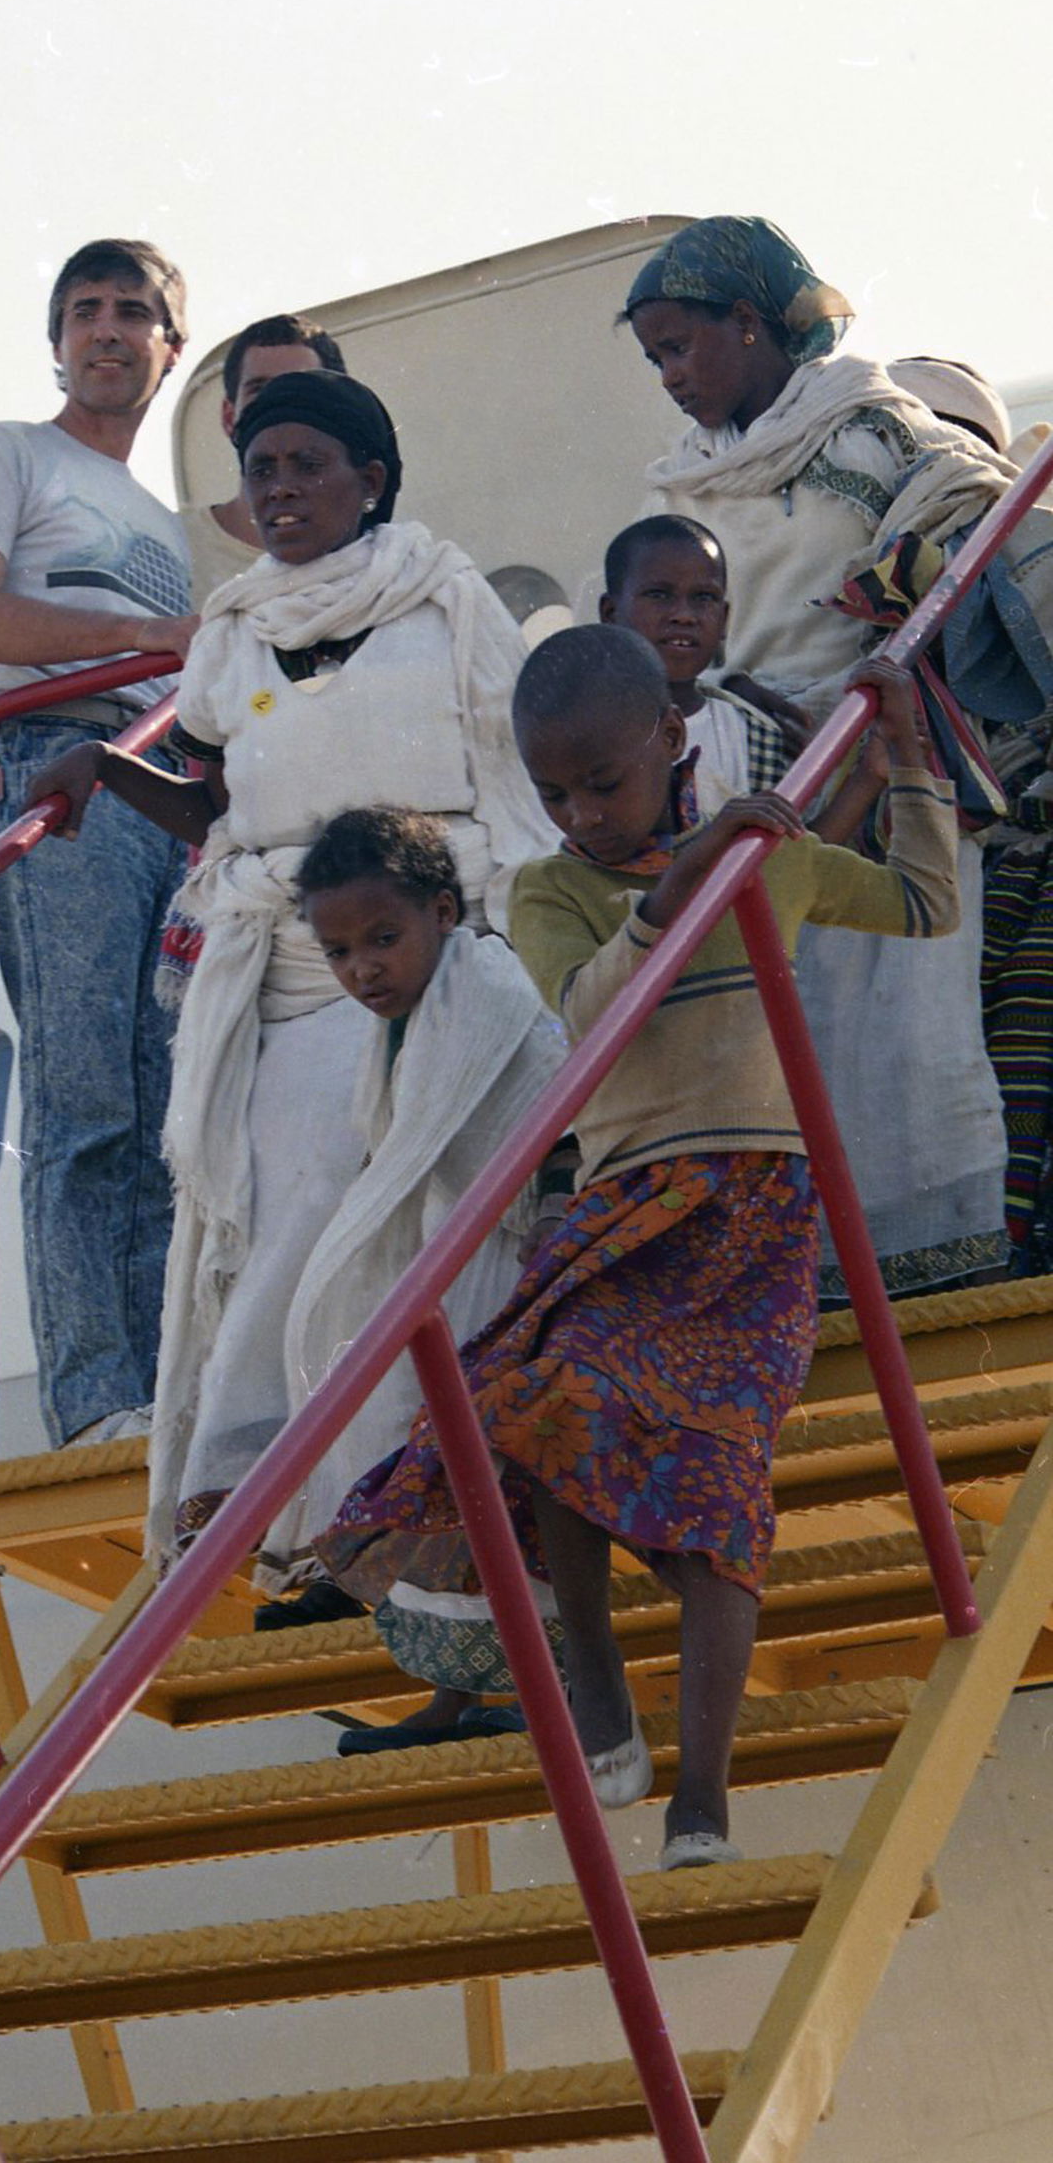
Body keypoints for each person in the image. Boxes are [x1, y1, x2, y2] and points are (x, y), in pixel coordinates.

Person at [321, 624, 961, 1868]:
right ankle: (596, 1669)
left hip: (754, 1210)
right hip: (628, 1206)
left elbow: (926, 905)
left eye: (601, 783)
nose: (579, 813)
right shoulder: (550, 891)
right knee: (546, 1397)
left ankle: (699, 1802)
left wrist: (903, 758)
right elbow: (589, 1008)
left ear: (671, 739)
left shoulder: (771, 856)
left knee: (715, 1498)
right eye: (553, 791)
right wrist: (680, 883)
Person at [23, 369, 554, 1570]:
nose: (278, 489)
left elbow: (512, 776)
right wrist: (106, 769)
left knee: (430, 1216)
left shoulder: (445, 598)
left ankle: (397, 1488)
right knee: (286, 1208)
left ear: (370, 480)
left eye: (306, 465)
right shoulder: (232, 631)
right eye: (259, 470)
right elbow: (213, 806)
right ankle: (253, 1474)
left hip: (445, 944)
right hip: (299, 961)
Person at [622, 214, 1035, 1299]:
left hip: (876, 760)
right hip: (741, 779)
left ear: (749, 323)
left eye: (681, 347)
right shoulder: (674, 486)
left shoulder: (869, 429)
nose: (669, 377)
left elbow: (976, 503)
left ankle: (927, 1275)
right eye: (653, 359)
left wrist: (899, 597)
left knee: (900, 1042)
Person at [0, 238, 197, 1448]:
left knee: (161, 1105)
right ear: (56, 341)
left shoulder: (173, 524)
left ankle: (158, 1393)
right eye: (84, 309)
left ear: (168, 349)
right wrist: (145, 636)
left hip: (161, 788)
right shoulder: (7, 453)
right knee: (85, 1089)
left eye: (132, 311)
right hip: (59, 763)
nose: (106, 328)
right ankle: (92, 1400)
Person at [246, 805, 568, 1745]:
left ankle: (530, 1691)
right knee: (434, 1486)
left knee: (490, 1495)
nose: (363, 970)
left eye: (383, 940)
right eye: (340, 953)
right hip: (448, 1274)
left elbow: (556, 1107)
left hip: (508, 1270)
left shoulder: (489, 994)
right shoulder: (402, 1029)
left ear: (443, 912)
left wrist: (550, 1215)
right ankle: (455, 1695)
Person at [599, 513, 894, 845]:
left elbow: (792, 860)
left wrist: (869, 775)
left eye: (704, 598)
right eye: (659, 595)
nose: (684, 615)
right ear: (610, 613)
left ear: (724, 620)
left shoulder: (753, 736)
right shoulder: (581, 723)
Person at [179, 314, 346, 606]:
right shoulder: (173, 544)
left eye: (301, 388)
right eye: (259, 389)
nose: (278, 404)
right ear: (229, 418)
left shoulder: (380, 560)